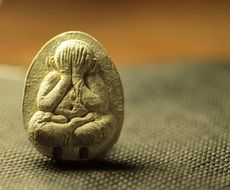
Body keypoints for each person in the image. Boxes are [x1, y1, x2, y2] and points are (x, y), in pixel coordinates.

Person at [28, 40, 117, 149]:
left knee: (109, 120)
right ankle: (70, 134)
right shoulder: (53, 78)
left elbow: (101, 106)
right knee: (35, 124)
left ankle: (70, 136)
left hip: (85, 123)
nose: (72, 66)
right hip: (56, 122)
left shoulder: (92, 77)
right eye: (66, 61)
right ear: (53, 63)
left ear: (92, 64)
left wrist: (77, 79)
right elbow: (43, 105)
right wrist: (65, 79)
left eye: (79, 62)